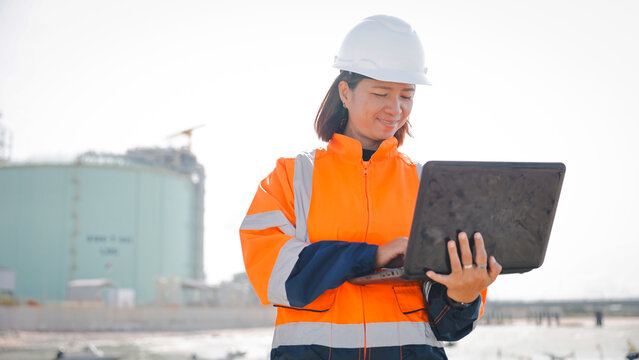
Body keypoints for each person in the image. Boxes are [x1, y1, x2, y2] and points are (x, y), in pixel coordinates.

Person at [240, 15, 501, 359]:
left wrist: (464, 296)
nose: (395, 110)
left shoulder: (428, 185)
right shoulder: (292, 176)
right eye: (381, 93)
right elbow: (273, 275)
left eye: (407, 96)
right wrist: (369, 256)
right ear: (345, 92)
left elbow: (448, 327)